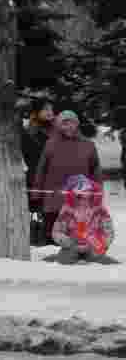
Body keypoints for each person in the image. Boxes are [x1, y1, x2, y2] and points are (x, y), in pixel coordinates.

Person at [32, 111, 100, 246]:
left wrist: (97, 193)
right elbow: (41, 170)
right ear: (58, 125)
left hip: (79, 200)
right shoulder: (50, 144)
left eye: (72, 123)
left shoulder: (88, 145)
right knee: (53, 239)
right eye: (64, 123)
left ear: (77, 124)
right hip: (54, 200)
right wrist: (36, 194)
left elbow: (95, 171)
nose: (69, 126)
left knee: (76, 238)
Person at [51, 175, 115, 263]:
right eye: (81, 190)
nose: (85, 194)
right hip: (72, 246)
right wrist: (69, 242)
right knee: (63, 261)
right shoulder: (67, 209)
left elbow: (109, 232)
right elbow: (57, 232)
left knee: (105, 263)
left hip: (94, 246)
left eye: (87, 189)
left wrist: (99, 242)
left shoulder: (100, 209)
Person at [22, 98, 55, 217]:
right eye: (46, 109)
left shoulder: (57, 130)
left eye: (51, 109)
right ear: (36, 112)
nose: (50, 112)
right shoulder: (31, 132)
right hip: (37, 179)